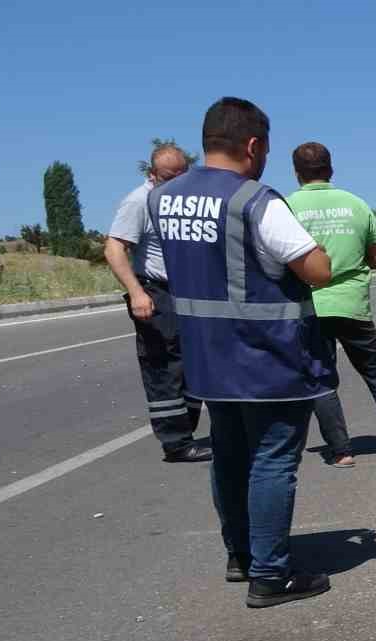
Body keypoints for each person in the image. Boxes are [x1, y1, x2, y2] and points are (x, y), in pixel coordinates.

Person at [152, 97, 336, 607]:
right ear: (254, 146)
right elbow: (315, 269)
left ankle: (241, 555)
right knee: (274, 461)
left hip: (207, 359)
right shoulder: (255, 201)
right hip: (267, 357)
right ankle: (271, 574)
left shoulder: (164, 199)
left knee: (229, 457)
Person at [285, 142, 376, 468]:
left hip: (310, 307)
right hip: (352, 304)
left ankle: (341, 451)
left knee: (321, 379)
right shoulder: (355, 204)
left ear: (297, 173)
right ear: (331, 169)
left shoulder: (287, 207)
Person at [104, 144, 210, 462]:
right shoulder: (139, 201)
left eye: (181, 175)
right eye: (168, 177)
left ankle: (186, 430)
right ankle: (176, 442)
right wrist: (137, 293)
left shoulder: (185, 201)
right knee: (164, 367)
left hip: (188, 292)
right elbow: (114, 249)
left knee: (194, 364)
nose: (175, 181)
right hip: (156, 291)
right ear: (152, 175)